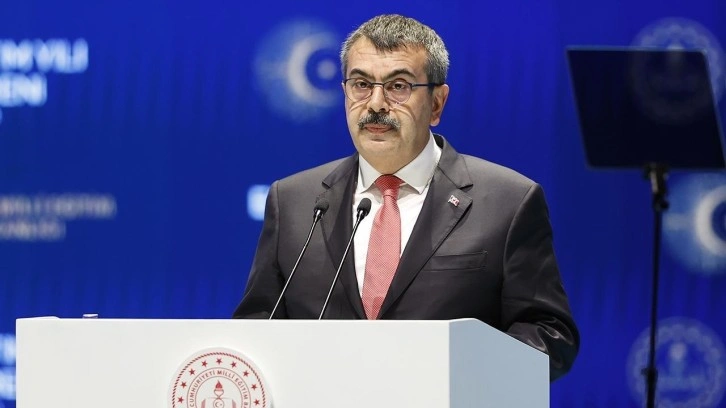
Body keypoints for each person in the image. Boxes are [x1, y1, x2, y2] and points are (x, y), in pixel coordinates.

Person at [233, 14, 579, 381]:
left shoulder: (508, 202)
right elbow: (257, 329)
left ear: (436, 104)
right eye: (361, 84)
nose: (376, 104)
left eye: (398, 86)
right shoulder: (294, 201)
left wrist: (460, 378)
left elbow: (548, 334)